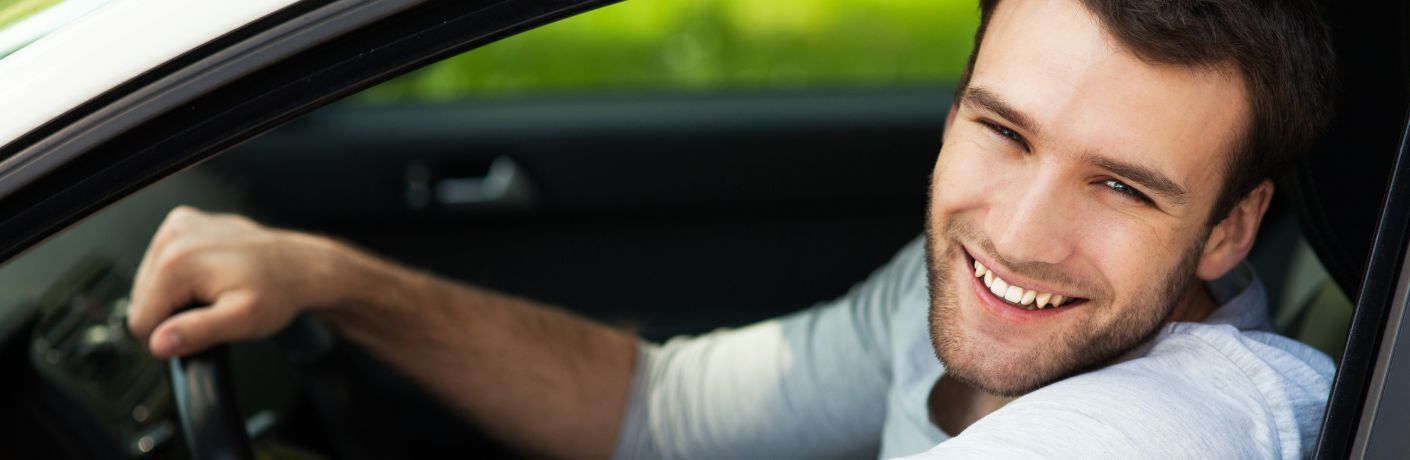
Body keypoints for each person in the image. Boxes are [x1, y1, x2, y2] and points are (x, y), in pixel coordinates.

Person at [125, 0, 1339, 458]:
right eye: (1002, 130)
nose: (1019, 234)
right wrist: (333, 279)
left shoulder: (1166, 426)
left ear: (1231, 230)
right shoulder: (990, 308)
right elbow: (656, 409)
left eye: (1122, 187)